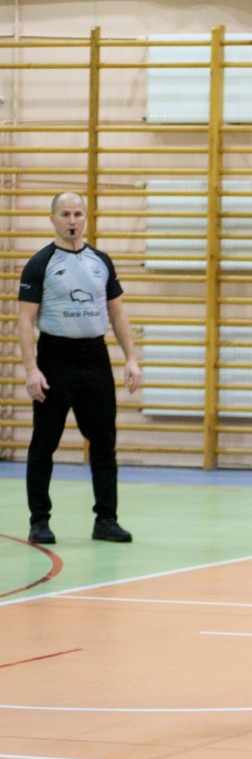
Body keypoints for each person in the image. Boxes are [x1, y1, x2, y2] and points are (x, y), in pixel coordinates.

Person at [18, 192, 141, 545]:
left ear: (85, 217)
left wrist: (131, 358)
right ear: (53, 219)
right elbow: (25, 320)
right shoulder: (39, 264)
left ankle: (106, 520)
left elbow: (117, 312)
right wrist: (31, 369)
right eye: (65, 214)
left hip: (95, 359)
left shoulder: (101, 262)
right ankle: (39, 521)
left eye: (77, 214)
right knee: (44, 444)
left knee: (104, 443)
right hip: (55, 359)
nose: (72, 221)